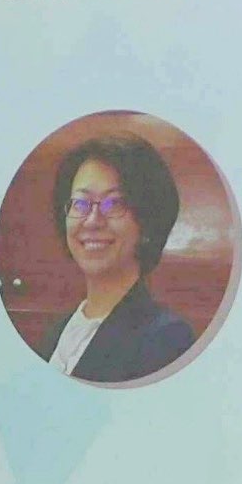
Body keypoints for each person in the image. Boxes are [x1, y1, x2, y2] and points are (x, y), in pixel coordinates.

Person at [35, 132, 196, 383]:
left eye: (114, 204)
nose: (92, 220)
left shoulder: (165, 339)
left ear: (146, 223)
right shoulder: (58, 330)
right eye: (80, 203)